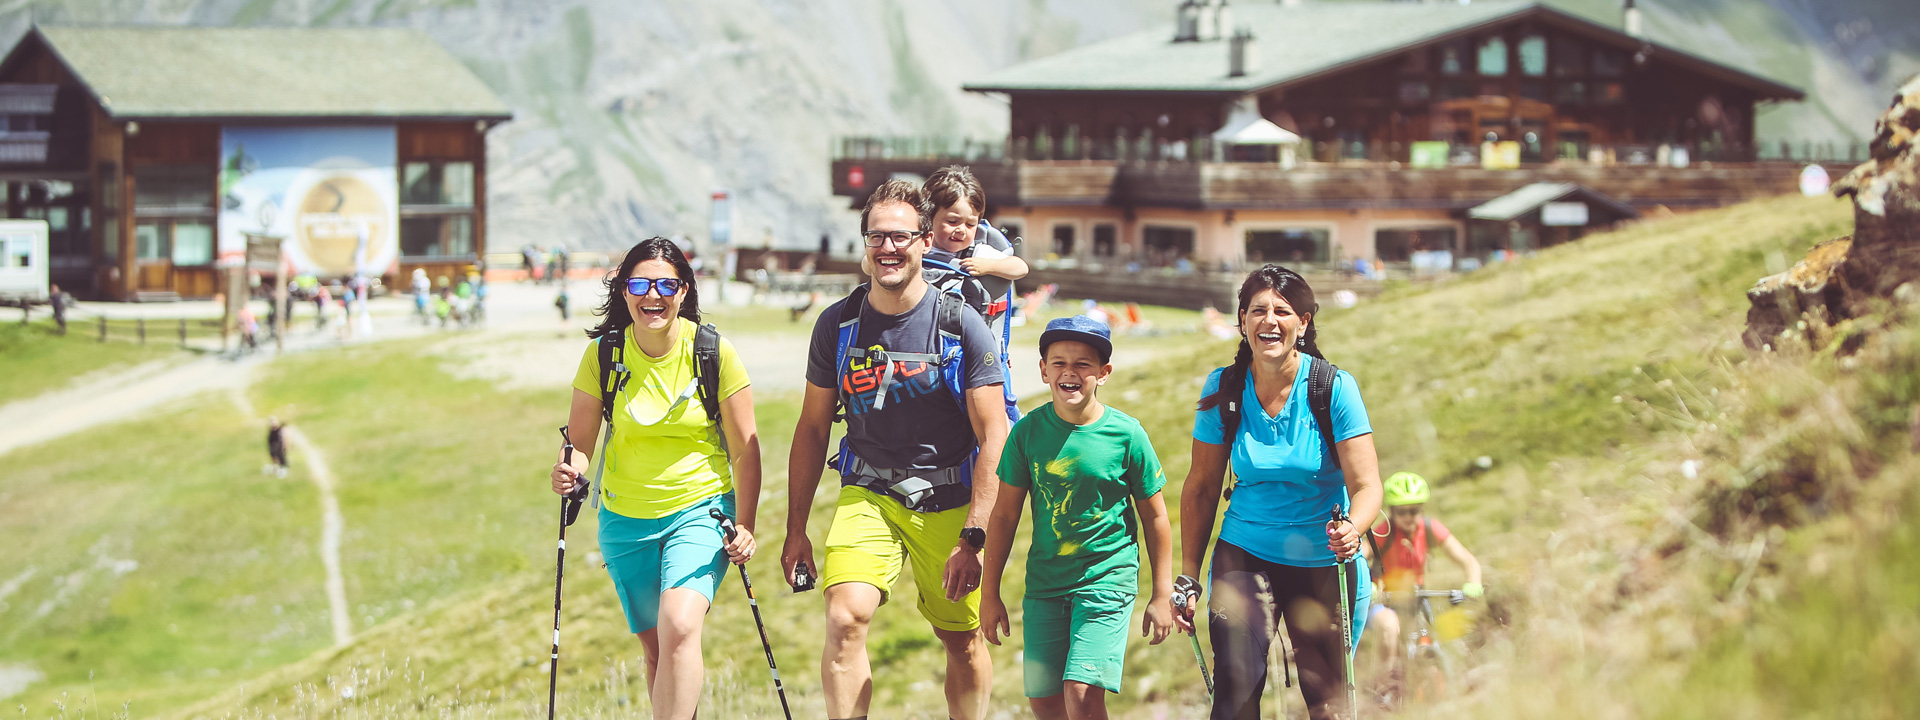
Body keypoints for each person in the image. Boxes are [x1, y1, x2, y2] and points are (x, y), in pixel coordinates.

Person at [782, 179, 1010, 720]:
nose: (889, 248)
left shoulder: (961, 326)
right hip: (869, 493)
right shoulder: (837, 324)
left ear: (925, 241)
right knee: (845, 617)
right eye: (877, 236)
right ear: (864, 244)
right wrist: (795, 529)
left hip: (950, 500)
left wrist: (974, 536)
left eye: (901, 237)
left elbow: (994, 433)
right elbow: (813, 428)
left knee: (961, 640)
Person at [549, 237, 761, 720]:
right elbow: (579, 445)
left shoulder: (713, 352)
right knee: (657, 651)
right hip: (625, 521)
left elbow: (747, 451)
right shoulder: (604, 355)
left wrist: (745, 524)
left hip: (701, 510)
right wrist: (569, 472)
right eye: (640, 283)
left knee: (680, 627)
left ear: (684, 290)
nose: (653, 295)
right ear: (623, 291)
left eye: (666, 284)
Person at [1176, 265, 1384, 720]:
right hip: (1245, 553)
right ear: (1242, 321)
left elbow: (1367, 486)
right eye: (1258, 311)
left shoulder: (1332, 388)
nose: (1269, 320)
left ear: (1304, 323)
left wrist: (1354, 528)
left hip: (1323, 562)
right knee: (1234, 697)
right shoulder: (1224, 388)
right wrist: (1188, 575)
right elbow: (1202, 487)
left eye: (1282, 311)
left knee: (1329, 705)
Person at [979, 315, 1175, 720]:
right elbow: (1003, 517)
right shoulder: (1027, 433)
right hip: (1045, 584)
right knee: (1045, 703)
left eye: (1083, 364)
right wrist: (989, 593)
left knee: (1082, 692)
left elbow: (1156, 518)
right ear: (1043, 370)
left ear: (1103, 373)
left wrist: (1161, 594)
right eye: (1059, 362)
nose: (1070, 372)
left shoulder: (1127, 434)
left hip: (1107, 579)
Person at [920, 165, 1028, 422]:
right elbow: (868, 265)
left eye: (971, 223)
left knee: (1002, 415)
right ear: (928, 217)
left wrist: (989, 267)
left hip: (983, 357)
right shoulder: (916, 251)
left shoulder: (980, 253)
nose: (962, 230)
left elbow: (1020, 267)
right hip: (933, 358)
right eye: (952, 221)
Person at [1361, 472, 1483, 691]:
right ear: (1392, 512)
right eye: (1402, 511)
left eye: (1415, 510)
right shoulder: (1383, 532)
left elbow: (1468, 561)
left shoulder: (1429, 529)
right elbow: (1358, 558)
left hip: (1416, 597)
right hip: (1383, 599)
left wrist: (1473, 582)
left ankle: (1443, 689)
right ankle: (1384, 692)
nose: (1409, 516)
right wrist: (1368, 586)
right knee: (1389, 629)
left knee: (1440, 634)